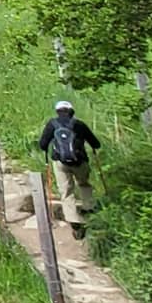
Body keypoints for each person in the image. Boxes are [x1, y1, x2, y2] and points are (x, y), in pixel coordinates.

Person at [36, 100, 100, 237]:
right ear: (71, 111)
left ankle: (73, 220)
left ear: (58, 111)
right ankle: (89, 208)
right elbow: (95, 143)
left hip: (60, 163)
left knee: (66, 191)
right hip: (80, 161)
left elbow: (42, 145)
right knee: (84, 184)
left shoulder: (52, 124)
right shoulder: (79, 124)